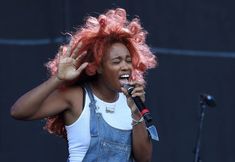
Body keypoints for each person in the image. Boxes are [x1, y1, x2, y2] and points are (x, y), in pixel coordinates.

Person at [11, 8, 157, 162]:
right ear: (97, 66)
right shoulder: (77, 97)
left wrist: (136, 113)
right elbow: (19, 112)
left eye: (128, 60)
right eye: (116, 61)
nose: (125, 66)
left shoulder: (131, 103)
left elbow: (144, 159)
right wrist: (57, 79)